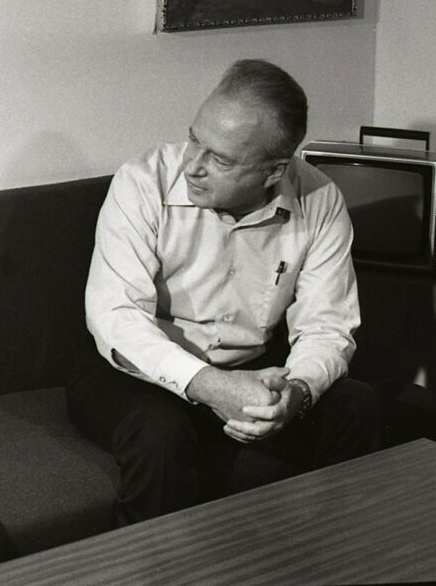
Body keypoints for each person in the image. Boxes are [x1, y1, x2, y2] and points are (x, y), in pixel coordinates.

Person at [67, 59, 380, 525]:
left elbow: (328, 326)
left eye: (220, 158)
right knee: (160, 436)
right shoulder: (141, 182)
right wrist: (211, 387)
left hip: (250, 372)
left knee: (358, 407)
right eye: (195, 139)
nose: (193, 165)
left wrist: (295, 393)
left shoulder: (320, 200)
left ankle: (326, 561)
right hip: (133, 371)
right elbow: (117, 318)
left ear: (274, 171)